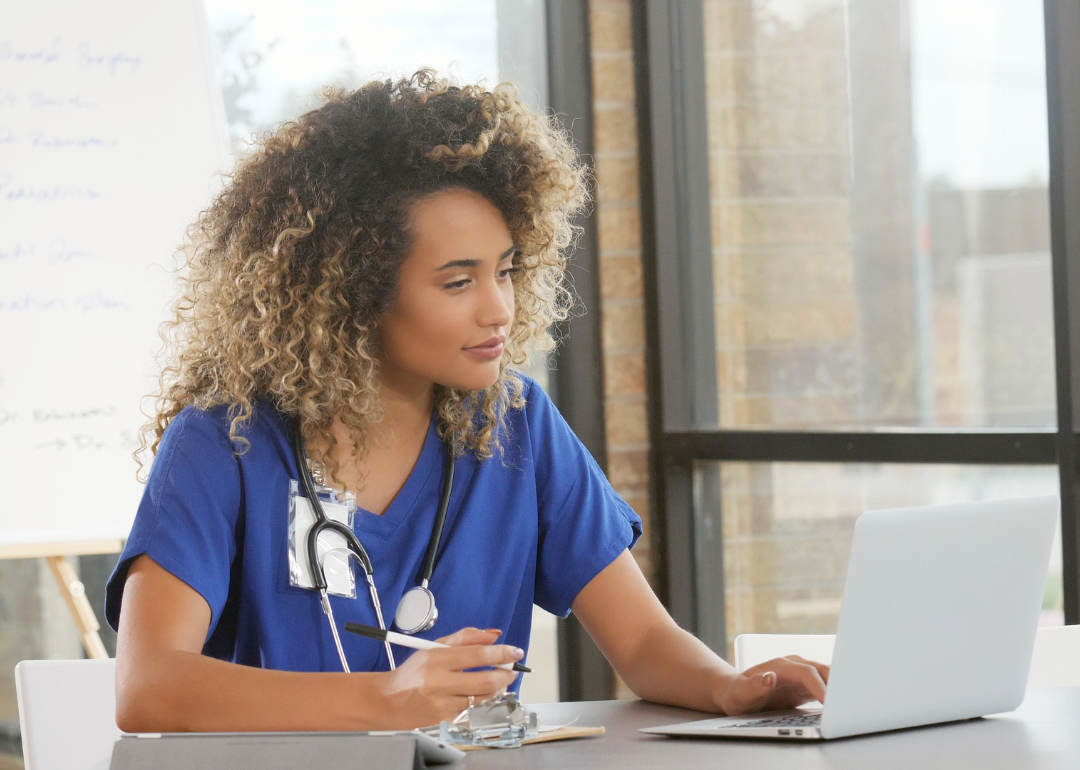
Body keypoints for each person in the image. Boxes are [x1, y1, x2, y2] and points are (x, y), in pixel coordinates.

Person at [106, 70, 829, 733]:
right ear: (353, 295)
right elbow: (148, 687)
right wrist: (387, 701)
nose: (499, 310)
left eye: (507, 272)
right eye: (458, 282)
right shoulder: (223, 443)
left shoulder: (515, 423)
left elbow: (640, 642)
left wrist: (731, 687)